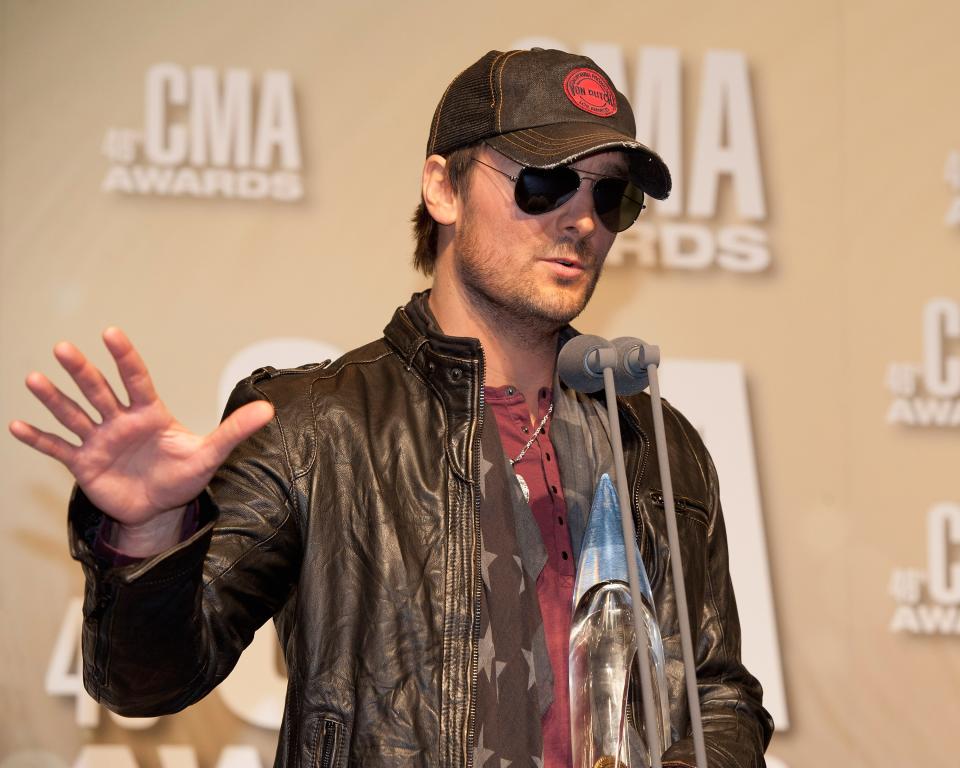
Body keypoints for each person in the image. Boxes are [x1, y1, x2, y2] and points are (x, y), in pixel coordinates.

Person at [10, 48, 773, 767]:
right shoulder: (315, 426)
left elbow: (718, 692)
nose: (581, 220)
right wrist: (146, 541)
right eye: (543, 184)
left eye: (611, 195)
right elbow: (145, 683)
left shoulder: (653, 438)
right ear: (442, 187)